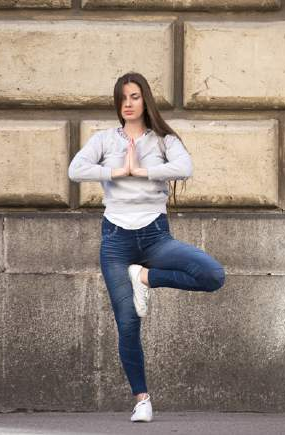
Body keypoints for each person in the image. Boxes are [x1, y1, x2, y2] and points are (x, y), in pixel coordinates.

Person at [68, 72, 226, 423]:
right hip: (116, 240)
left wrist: (140, 172)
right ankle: (141, 398)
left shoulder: (163, 140)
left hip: (155, 237)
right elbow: (75, 170)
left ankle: (146, 277)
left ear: (145, 100)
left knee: (213, 274)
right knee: (127, 323)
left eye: (135, 96)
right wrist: (116, 174)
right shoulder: (106, 139)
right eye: (123, 97)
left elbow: (185, 168)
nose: (128, 103)